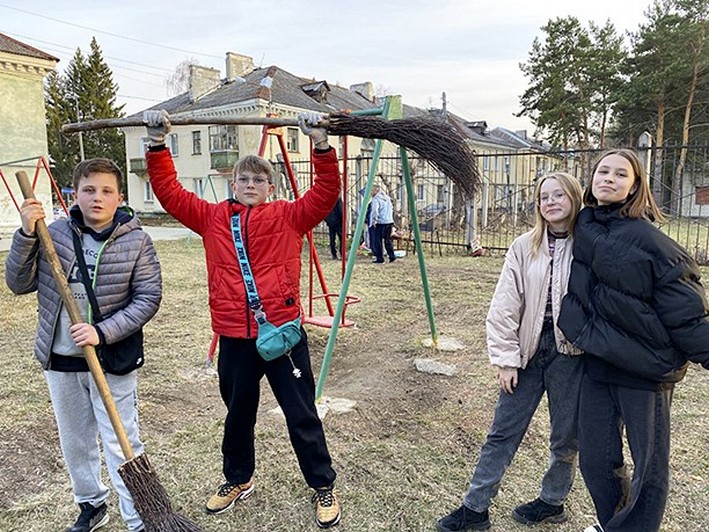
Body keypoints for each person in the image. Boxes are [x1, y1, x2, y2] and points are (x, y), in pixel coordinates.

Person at [142, 109, 342, 529]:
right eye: (243, 179)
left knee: (301, 413)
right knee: (237, 415)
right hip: (234, 336)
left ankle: (323, 483)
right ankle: (238, 478)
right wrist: (157, 144)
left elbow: (326, 193)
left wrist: (321, 144)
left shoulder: (289, 215)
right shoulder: (211, 218)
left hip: (283, 335)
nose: (250, 185)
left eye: (259, 180)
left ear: (272, 187)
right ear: (233, 185)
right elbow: (170, 193)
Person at [5, 158, 162, 532]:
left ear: (119, 197)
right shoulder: (52, 233)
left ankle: (138, 517)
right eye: (89, 190)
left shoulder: (136, 240)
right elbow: (17, 282)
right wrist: (26, 233)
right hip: (61, 357)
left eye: (107, 191)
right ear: (74, 194)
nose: (97, 198)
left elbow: (148, 297)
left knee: (121, 440)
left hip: (111, 358)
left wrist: (102, 332)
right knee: (76, 442)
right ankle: (91, 504)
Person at [557, 149, 709, 532]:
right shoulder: (586, 225)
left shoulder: (652, 243)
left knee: (649, 467)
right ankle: (614, 524)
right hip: (599, 361)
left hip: (646, 368)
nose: (609, 178)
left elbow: (688, 312)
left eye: (620, 174)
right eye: (602, 171)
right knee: (595, 460)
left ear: (635, 186)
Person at [436, 172, 584, 532]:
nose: (550, 202)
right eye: (543, 197)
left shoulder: (588, 245)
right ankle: (475, 508)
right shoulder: (523, 246)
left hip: (572, 354)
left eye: (558, 195)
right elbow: (504, 305)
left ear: (575, 198)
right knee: (502, 431)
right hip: (527, 351)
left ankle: (552, 500)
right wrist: (506, 359)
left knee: (566, 436)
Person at [370, 182, 396, 263]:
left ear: (375, 191)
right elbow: (391, 208)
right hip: (389, 221)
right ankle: (392, 256)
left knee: (378, 241)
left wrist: (374, 221)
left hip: (380, 222)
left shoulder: (376, 199)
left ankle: (380, 258)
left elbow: (375, 211)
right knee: (388, 240)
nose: (370, 193)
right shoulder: (387, 198)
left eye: (371, 191)